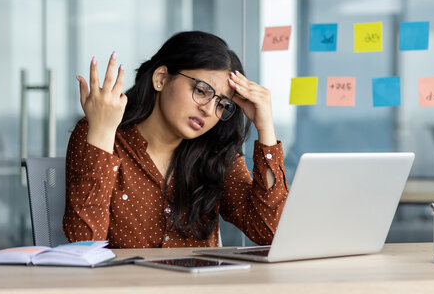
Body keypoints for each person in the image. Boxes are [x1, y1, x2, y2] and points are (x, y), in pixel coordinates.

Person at [62, 31, 289, 248]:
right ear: (161, 78)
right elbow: (84, 243)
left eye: (222, 104)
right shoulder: (101, 133)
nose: (210, 111)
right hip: (125, 286)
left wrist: (265, 127)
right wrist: (102, 131)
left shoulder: (215, 152)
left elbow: (269, 230)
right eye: (201, 90)